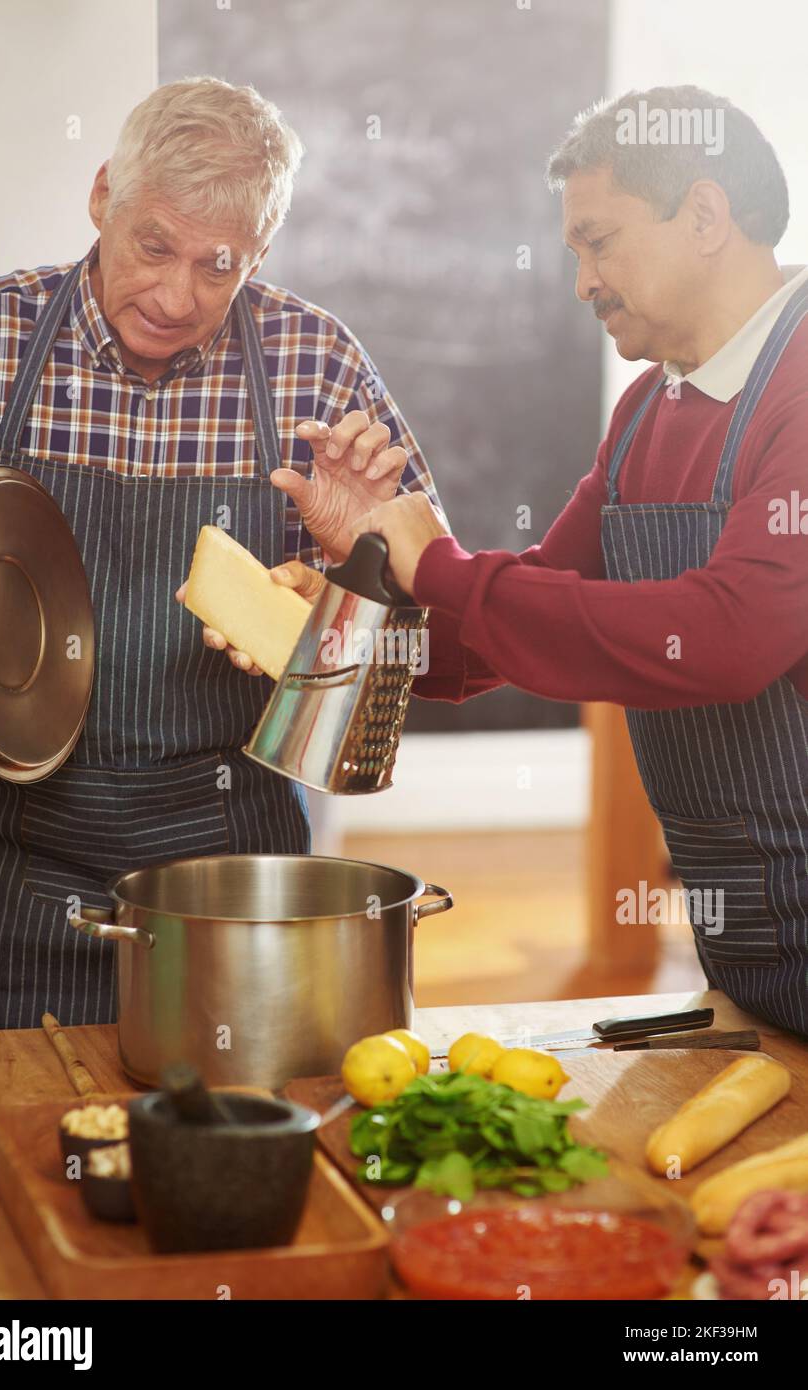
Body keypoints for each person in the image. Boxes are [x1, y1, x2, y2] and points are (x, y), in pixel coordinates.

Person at [261, 86, 808, 1036]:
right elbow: (505, 636)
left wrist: (441, 569)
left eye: (598, 241)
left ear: (706, 215)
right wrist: (350, 608)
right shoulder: (646, 415)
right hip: (754, 939)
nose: (581, 280)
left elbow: (727, 637)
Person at [0, 77, 442, 1031]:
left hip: (234, 880)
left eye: (219, 266)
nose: (176, 297)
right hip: (11, 872)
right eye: (152, 247)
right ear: (102, 198)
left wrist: (351, 591)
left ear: (262, 250)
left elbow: (407, 673)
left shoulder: (317, 364)